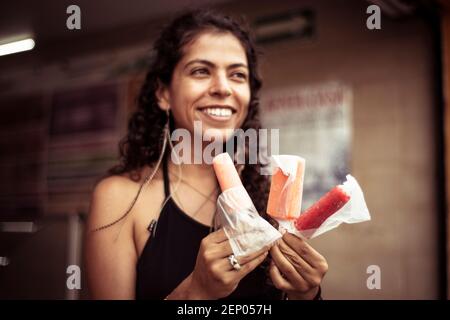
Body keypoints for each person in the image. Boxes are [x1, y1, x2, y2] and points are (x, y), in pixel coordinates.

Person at [84, 9, 328, 300]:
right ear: (163, 94)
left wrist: (307, 295)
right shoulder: (120, 198)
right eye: (201, 71)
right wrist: (195, 292)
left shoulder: (265, 193)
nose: (223, 88)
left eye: (237, 75)